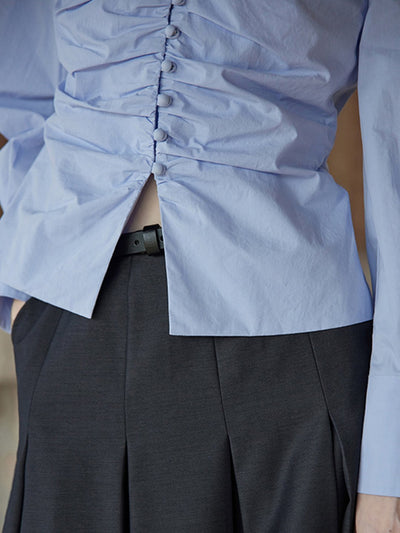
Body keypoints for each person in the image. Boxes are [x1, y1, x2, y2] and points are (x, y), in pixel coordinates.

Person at [0, 1, 399, 531]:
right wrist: (29, 278)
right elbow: (25, 92)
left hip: (282, 339)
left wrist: (389, 471)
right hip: (73, 316)